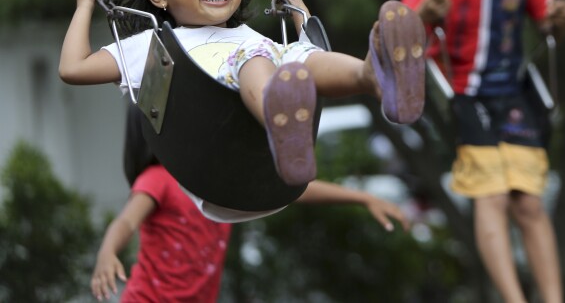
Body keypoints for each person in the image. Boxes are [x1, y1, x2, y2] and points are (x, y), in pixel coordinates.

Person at [59, 0, 425, 219]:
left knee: (300, 56)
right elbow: (73, 69)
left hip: (270, 174)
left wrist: (295, 3)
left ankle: (374, 77)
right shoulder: (152, 46)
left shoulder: (251, 36)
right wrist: (84, 4)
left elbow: (312, 51)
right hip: (217, 166)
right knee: (257, 59)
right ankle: (277, 114)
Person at [402, 0, 565, 303]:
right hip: (463, 95)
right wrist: (423, 16)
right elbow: (395, 37)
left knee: (529, 202)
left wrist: (560, 19)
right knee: (492, 196)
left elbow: (553, 24)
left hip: (513, 93)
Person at [90, 107, 410, 302]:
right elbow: (126, 222)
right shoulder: (158, 179)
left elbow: (291, 191)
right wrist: (107, 252)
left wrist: (363, 197)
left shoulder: (215, 179)